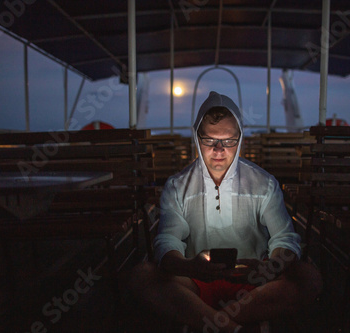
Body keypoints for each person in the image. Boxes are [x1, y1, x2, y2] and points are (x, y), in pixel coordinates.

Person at [128, 91, 322, 332]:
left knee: (308, 277)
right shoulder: (178, 186)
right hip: (195, 279)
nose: (219, 150)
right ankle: (232, 325)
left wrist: (268, 267)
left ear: (240, 139)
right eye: (210, 140)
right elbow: (167, 240)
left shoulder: (264, 183)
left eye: (228, 141)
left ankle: (206, 319)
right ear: (197, 138)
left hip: (254, 282)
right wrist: (190, 267)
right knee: (142, 275)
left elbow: (285, 238)